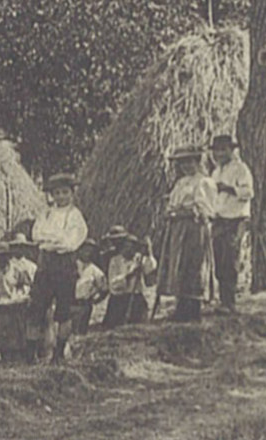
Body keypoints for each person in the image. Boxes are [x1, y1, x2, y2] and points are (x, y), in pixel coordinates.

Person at [28, 173, 88, 363]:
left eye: (65, 192)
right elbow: (36, 235)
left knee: (64, 310)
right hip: (45, 264)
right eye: (57, 193)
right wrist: (54, 239)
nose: (61, 197)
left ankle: (59, 353)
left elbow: (70, 242)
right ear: (51, 195)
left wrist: (51, 239)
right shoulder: (45, 214)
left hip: (65, 265)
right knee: (37, 307)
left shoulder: (75, 216)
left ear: (72, 193)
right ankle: (31, 354)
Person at [161, 146, 216, 321]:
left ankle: (193, 310)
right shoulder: (180, 183)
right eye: (182, 163)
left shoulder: (204, 182)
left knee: (193, 265)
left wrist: (183, 212)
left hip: (194, 228)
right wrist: (171, 212)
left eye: (189, 161)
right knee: (179, 265)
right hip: (178, 228)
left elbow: (204, 209)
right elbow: (172, 204)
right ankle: (181, 307)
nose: (186, 166)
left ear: (197, 161)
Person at [209, 134, 254, 310]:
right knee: (219, 260)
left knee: (231, 259)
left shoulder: (241, 169)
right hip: (219, 220)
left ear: (231, 150)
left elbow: (248, 193)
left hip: (235, 220)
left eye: (223, 150)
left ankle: (230, 302)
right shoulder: (216, 172)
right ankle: (223, 300)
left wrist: (228, 189)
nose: (219, 154)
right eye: (216, 151)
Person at [0, 238, 35, 361]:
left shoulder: (15, 269)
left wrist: (20, 292)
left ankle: (9, 358)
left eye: (4, 256)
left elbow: (25, 284)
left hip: (9, 308)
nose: (1, 259)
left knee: (9, 338)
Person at [100, 227, 157, 328]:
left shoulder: (138, 259)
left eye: (132, 247)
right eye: (126, 247)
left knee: (138, 325)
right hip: (119, 301)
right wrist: (129, 275)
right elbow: (114, 285)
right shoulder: (115, 261)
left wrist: (149, 253)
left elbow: (150, 268)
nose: (129, 250)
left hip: (136, 298)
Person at [72, 240, 106, 335]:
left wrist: (95, 299)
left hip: (84, 305)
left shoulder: (95, 270)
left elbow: (104, 288)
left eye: (90, 251)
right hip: (68, 304)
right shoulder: (70, 265)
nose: (87, 253)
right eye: (85, 250)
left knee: (80, 334)